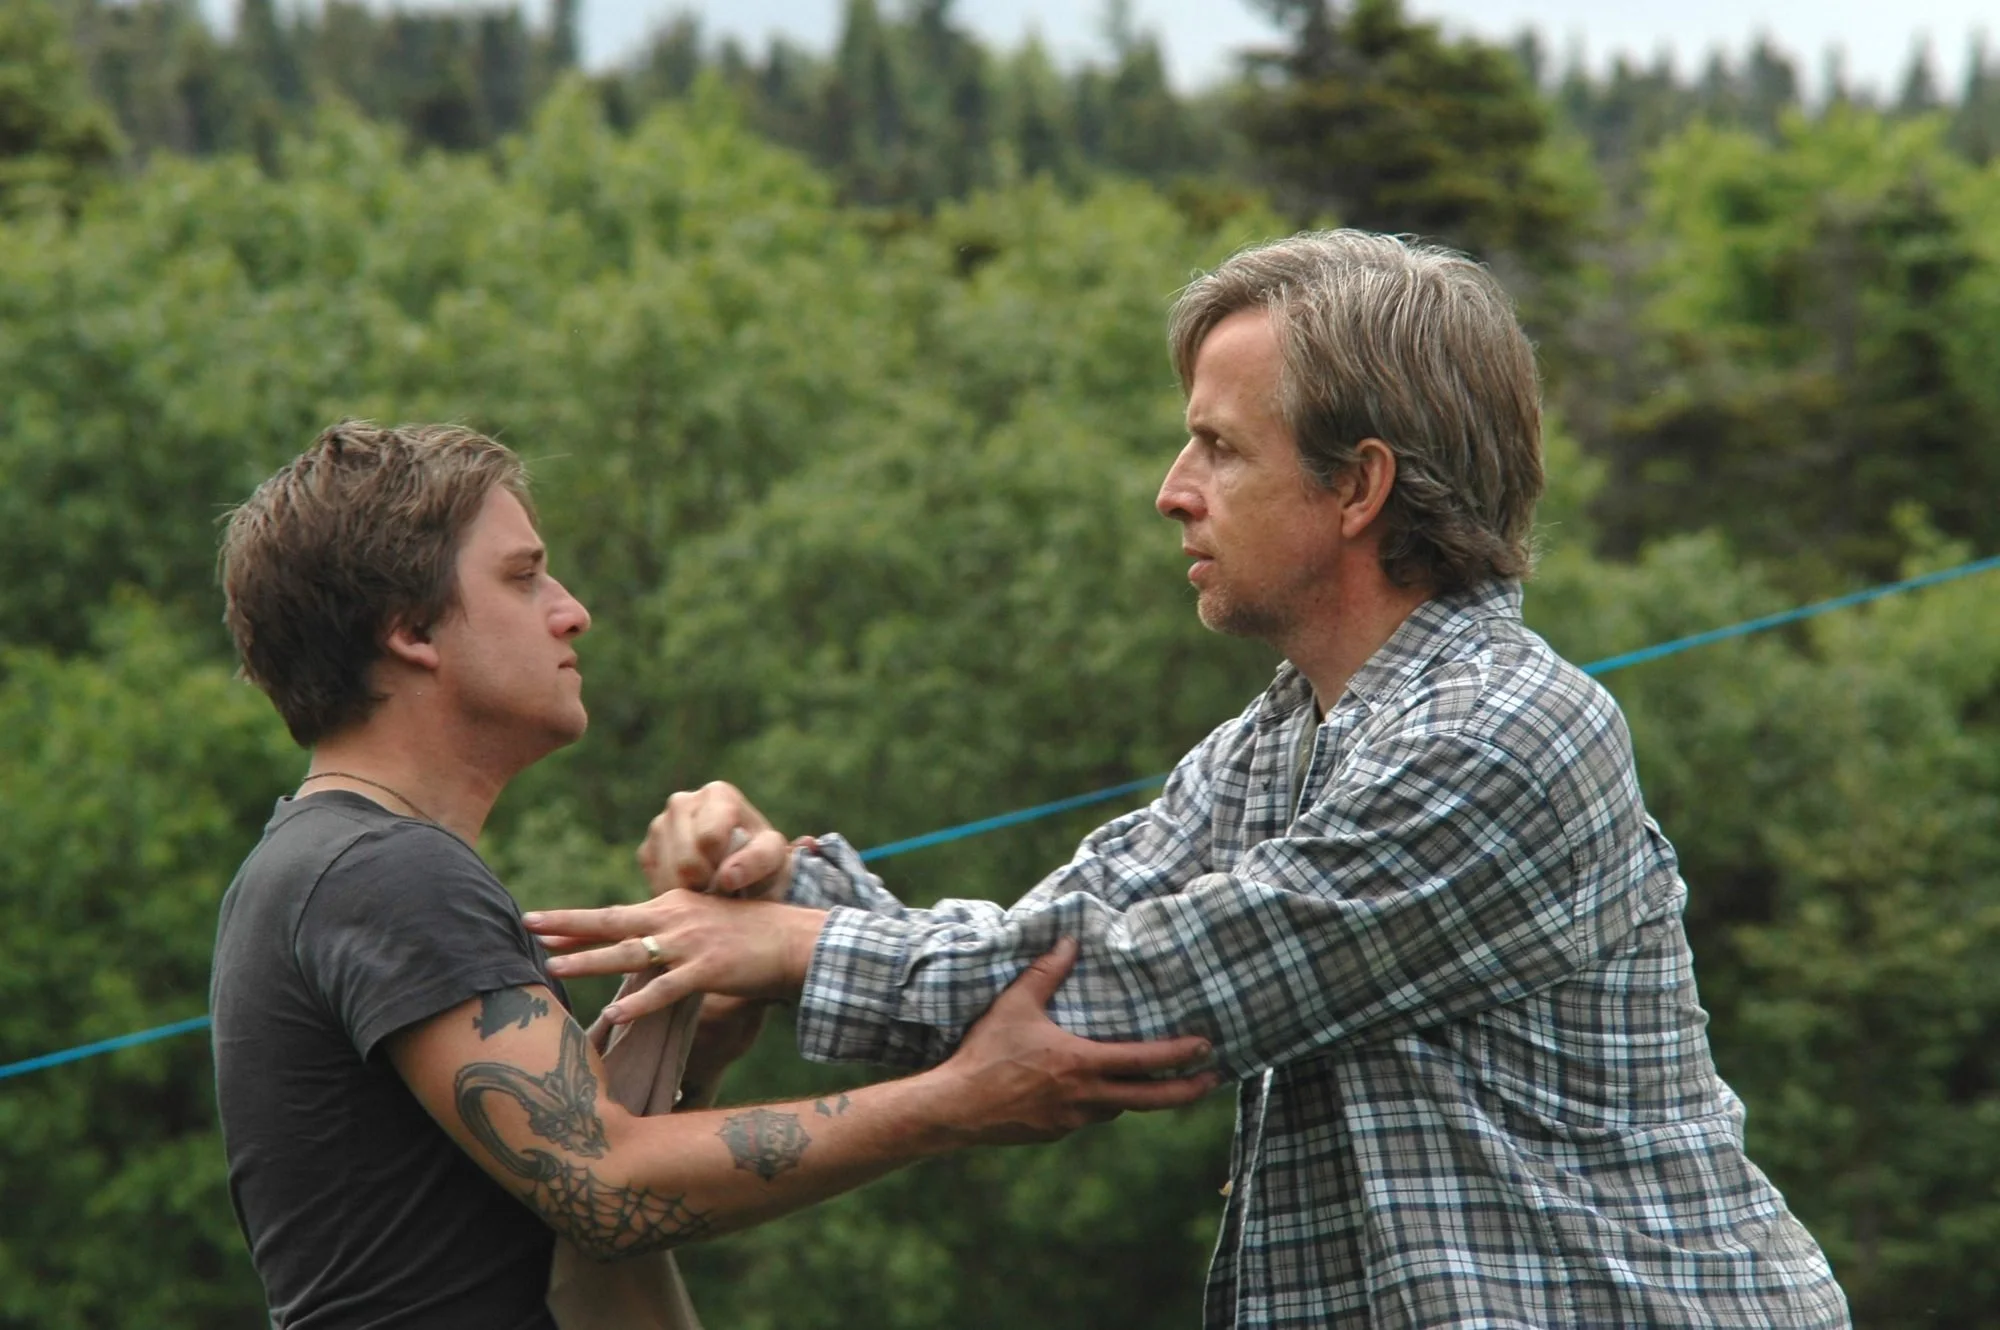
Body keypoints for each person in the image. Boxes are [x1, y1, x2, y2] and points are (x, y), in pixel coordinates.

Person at [525, 232, 1854, 1328]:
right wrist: (793, 884)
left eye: (1220, 447)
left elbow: (1130, 998)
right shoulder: (1283, 736)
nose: (1172, 492)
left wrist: (786, 943)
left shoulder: (1503, 733)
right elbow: (1028, 981)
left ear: (1360, 488)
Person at [208, 421, 1217, 1329]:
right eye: (523, 577)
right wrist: (957, 1099)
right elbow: (602, 1185)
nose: (574, 613)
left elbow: (534, 1204)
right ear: (410, 630)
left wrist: (709, 1020)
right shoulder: (384, 872)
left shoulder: (324, 861)